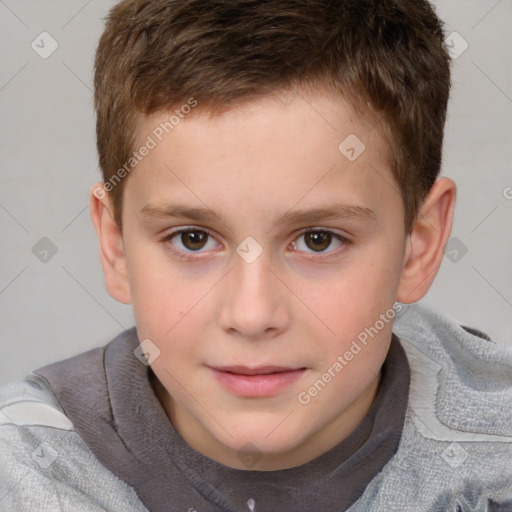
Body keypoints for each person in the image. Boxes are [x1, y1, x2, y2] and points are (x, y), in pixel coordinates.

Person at [1, 0, 511, 510]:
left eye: (318, 240)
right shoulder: (27, 474)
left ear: (417, 246)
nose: (252, 315)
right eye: (193, 239)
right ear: (115, 246)